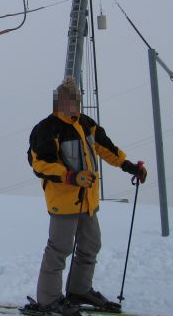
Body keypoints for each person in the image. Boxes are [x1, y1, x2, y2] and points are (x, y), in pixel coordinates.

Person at [26, 77, 147, 316]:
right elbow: (41, 164)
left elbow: (106, 148)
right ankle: (48, 300)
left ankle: (79, 290)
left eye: (77, 100)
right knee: (59, 249)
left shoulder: (86, 123)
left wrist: (129, 166)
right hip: (63, 200)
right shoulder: (47, 128)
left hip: (88, 199)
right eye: (70, 99)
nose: (75, 104)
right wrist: (72, 177)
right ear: (59, 101)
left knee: (91, 244)